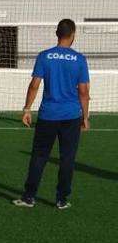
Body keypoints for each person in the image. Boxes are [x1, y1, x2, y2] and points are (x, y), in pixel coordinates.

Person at [14, 19, 90, 210]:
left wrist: (26, 109)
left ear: (57, 34)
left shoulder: (44, 56)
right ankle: (62, 199)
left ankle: (29, 197)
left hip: (48, 115)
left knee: (39, 157)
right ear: (73, 35)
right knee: (67, 158)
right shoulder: (80, 59)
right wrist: (85, 117)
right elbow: (83, 92)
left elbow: (34, 85)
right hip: (71, 116)